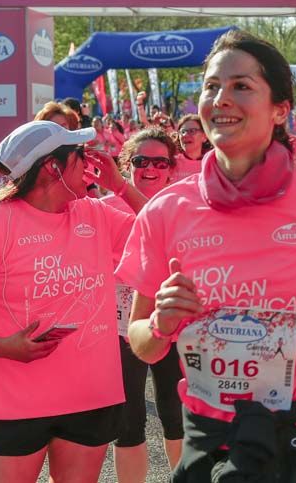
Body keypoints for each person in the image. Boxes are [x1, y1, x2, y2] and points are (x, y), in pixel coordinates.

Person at [115, 30, 296, 482]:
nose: (221, 99)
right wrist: (161, 325)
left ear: (280, 109)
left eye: (241, 86)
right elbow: (140, 341)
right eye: (211, 86)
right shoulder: (166, 211)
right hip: (216, 444)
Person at [0, 120, 147, 483]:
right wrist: (4, 347)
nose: (91, 162)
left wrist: (121, 186)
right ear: (52, 167)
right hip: (16, 402)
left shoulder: (94, 213)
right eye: (79, 155)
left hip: (91, 395)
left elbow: (162, 235)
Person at [103, 128, 184, 483]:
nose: (150, 169)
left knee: (176, 414)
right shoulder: (102, 208)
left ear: (171, 168)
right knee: (128, 420)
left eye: (160, 162)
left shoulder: (184, 206)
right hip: (120, 325)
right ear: (126, 164)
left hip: (174, 323)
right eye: (141, 161)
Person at [174, 113, 210, 180]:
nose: (185, 135)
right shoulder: (172, 162)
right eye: (183, 132)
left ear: (204, 137)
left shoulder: (212, 163)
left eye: (192, 131)